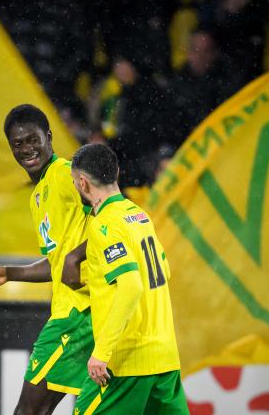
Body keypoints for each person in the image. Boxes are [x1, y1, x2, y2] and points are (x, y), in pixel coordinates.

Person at [0, 104, 93, 414]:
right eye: (18, 143)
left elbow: (117, 209)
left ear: (49, 137)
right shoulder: (38, 195)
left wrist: (77, 256)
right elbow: (56, 262)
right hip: (89, 313)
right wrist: (9, 273)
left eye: (33, 140)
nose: (27, 149)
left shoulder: (64, 174)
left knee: (28, 411)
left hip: (77, 315)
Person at [70, 143, 188, 414]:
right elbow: (163, 271)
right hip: (165, 357)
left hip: (128, 362)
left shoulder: (105, 224)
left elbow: (131, 286)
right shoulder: (139, 215)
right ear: (118, 172)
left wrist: (102, 352)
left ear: (83, 183)